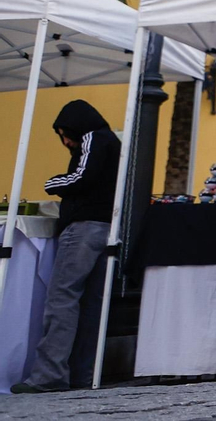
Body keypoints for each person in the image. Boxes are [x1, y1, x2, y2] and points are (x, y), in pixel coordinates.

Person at [9, 101, 120, 394]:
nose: (66, 142)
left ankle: (48, 375)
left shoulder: (94, 138)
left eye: (64, 134)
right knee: (91, 305)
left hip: (83, 227)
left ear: (75, 126)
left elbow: (82, 176)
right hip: (106, 228)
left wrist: (53, 183)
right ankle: (82, 375)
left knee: (62, 299)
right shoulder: (111, 142)